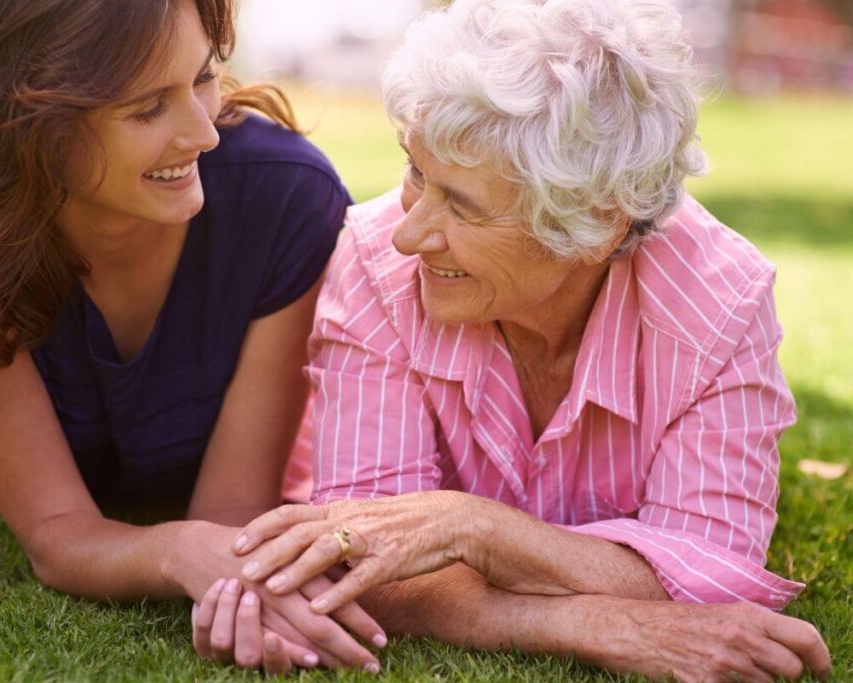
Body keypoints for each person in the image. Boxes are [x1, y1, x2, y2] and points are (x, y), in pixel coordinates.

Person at [195, 0, 833, 680]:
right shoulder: (379, 261)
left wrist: (474, 530)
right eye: (416, 172)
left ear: (596, 224)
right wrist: (587, 619)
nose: (410, 234)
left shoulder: (719, 303)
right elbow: (366, 556)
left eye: (463, 206)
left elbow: (711, 578)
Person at [0, 0, 386, 674]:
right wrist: (179, 552)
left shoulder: (289, 203)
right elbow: (59, 535)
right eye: (149, 107)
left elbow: (230, 517)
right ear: (31, 125)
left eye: (203, 77)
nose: (202, 133)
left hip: (162, 454)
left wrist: (236, 577)